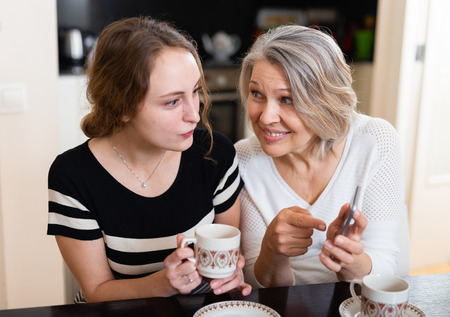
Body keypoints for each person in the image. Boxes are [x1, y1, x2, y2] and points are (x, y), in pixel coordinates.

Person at [47, 16, 251, 303]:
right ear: (122, 107)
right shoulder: (72, 176)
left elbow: (227, 256)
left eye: (194, 91)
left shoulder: (215, 154)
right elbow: (96, 291)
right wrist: (162, 283)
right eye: (172, 101)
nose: (194, 114)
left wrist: (232, 274)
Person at [235, 24, 406, 288]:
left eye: (287, 99)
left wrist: (347, 259)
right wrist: (273, 251)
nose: (266, 117)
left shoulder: (374, 141)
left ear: (324, 102)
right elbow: (256, 284)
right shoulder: (243, 160)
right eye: (257, 94)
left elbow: (386, 262)